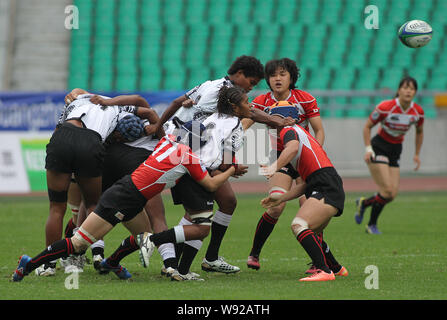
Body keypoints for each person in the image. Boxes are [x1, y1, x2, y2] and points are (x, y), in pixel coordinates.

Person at [11, 120, 237, 282]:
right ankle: (28, 265)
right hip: (123, 197)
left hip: (132, 196)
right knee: (78, 243)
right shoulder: (188, 155)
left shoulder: (167, 141)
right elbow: (210, 185)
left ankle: (111, 262)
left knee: (145, 236)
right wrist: (231, 169)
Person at [154, 55, 294, 275]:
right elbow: (248, 112)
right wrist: (276, 120)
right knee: (198, 213)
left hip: (190, 148)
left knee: (225, 202)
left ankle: (202, 259)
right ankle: (168, 259)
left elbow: (176, 104)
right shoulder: (221, 93)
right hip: (187, 152)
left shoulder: (214, 84)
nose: (251, 90)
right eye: (252, 82)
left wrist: (159, 127)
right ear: (240, 75)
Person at [35, 89, 160, 277]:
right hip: (90, 142)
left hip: (61, 138)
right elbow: (147, 110)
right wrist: (157, 129)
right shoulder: (116, 108)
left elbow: (57, 130)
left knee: (56, 208)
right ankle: (83, 252)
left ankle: (47, 265)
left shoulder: (73, 102)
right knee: (94, 204)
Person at [242, 58, 326, 272]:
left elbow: (319, 130)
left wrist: (315, 153)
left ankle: (318, 263)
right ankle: (254, 253)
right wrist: (233, 138)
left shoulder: (305, 99)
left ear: (291, 77)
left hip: (304, 157)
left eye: (282, 74)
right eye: (272, 75)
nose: (277, 79)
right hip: (280, 156)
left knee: (309, 206)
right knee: (276, 205)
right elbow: (245, 123)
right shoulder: (262, 101)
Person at [258, 104, 348, 282]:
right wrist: (281, 198)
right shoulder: (299, 131)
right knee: (311, 231)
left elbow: (290, 149)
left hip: (325, 184)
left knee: (299, 225)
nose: (269, 122)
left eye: (271, 118)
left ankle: (324, 271)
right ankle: (336, 268)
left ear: (283, 118)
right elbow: (306, 184)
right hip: (324, 182)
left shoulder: (288, 129)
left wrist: (274, 167)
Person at [355, 77, 424, 234]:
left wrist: (417, 154)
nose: (408, 91)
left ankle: (364, 203)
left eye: (412, 88)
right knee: (386, 191)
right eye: (405, 87)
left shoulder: (417, 112)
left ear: (415, 92)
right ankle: (371, 225)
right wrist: (368, 149)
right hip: (379, 146)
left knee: (392, 195)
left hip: (396, 149)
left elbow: (420, 132)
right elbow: (367, 127)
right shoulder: (386, 107)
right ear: (399, 90)